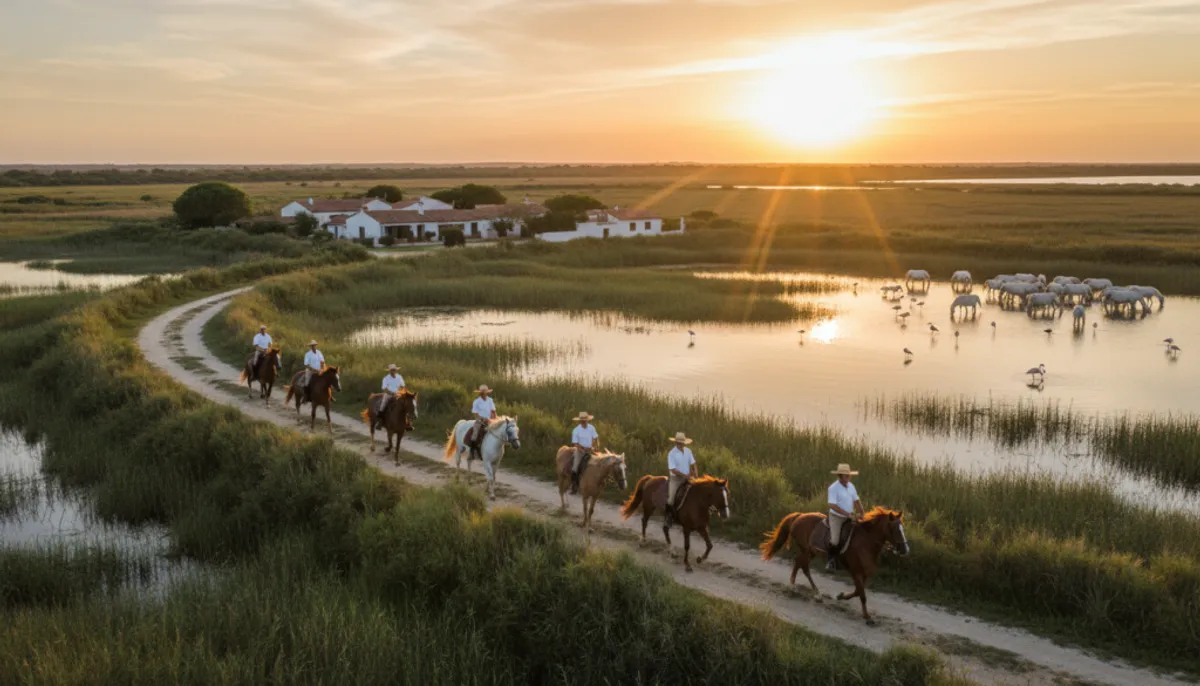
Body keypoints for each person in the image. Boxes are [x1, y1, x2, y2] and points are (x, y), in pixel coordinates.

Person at [826, 463, 865, 571]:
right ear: (840, 476)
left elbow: (857, 500)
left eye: (849, 475)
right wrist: (847, 514)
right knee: (835, 540)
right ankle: (830, 560)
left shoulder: (851, 486)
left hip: (850, 516)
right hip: (837, 517)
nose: (849, 477)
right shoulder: (833, 488)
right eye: (846, 475)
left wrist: (862, 512)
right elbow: (832, 505)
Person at [665, 432, 697, 528]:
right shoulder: (671, 454)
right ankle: (668, 518)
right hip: (676, 479)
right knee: (671, 499)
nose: (681, 445)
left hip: (688, 477)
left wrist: (696, 475)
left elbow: (694, 464)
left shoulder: (688, 451)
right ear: (676, 443)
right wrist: (684, 476)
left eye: (682, 443)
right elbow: (673, 470)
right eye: (679, 443)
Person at [569, 412, 599, 495]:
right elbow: (575, 444)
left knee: (600, 463)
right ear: (580, 421)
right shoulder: (576, 430)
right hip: (580, 450)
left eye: (585, 420)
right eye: (582, 421)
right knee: (575, 467)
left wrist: (595, 447)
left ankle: (597, 485)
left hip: (590, 449)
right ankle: (574, 486)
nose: (584, 422)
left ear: (587, 420)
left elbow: (595, 438)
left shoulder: (591, 428)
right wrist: (582, 450)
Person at [466, 385, 496, 462]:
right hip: (480, 420)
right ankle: (471, 452)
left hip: (490, 420)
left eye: (485, 392)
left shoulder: (490, 400)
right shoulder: (476, 401)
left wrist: (494, 418)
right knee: (475, 434)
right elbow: (476, 413)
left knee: (498, 432)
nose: (484, 394)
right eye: (482, 393)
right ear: (480, 393)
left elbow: (493, 411)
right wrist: (483, 419)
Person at [375, 364, 407, 430]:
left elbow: (403, 386)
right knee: (383, 405)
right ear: (389, 371)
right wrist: (392, 393)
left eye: (394, 370)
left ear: (396, 370)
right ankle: (380, 422)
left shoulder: (399, 377)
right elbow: (384, 389)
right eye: (392, 370)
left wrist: (400, 392)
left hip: (398, 394)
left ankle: (407, 422)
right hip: (388, 394)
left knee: (407, 404)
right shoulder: (386, 378)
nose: (393, 371)